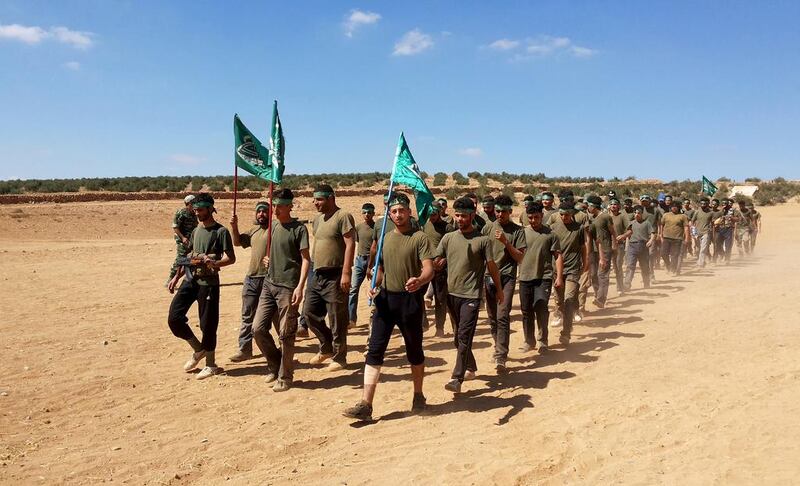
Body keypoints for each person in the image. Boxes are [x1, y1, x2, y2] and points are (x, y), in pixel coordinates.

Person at [343, 194, 435, 420]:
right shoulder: (385, 238)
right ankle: (366, 404)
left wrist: (420, 281)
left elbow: (429, 269)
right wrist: (375, 284)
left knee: (414, 351)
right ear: (389, 214)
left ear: (409, 212)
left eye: (401, 210)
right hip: (385, 301)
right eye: (393, 211)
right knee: (375, 350)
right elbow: (380, 269)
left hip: (410, 301)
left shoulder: (420, 238)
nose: (397, 215)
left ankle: (418, 395)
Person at [435, 197, 503, 393]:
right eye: (457, 215)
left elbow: (492, 268)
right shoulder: (448, 238)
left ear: (473, 215)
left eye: (464, 216)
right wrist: (437, 265)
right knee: (458, 337)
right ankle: (471, 366)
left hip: (471, 296)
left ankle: (457, 378)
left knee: (464, 336)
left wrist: (499, 290)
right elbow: (437, 260)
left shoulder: (482, 240)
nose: (459, 219)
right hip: (451, 294)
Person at [167, 193, 235, 380]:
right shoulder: (196, 231)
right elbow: (188, 257)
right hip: (190, 280)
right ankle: (198, 349)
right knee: (174, 318)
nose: (197, 213)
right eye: (195, 210)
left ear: (211, 208)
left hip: (209, 283)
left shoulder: (221, 232)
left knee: (208, 324)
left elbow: (230, 258)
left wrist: (213, 263)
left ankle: (211, 364)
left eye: (201, 210)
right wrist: (176, 276)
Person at [251, 189, 310, 392]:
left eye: (278, 206)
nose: (274, 209)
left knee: (286, 334)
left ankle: (286, 376)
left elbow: (305, 259)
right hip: (269, 284)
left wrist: (300, 287)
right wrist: (269, 260)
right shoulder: (273, 226)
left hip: (288, 287)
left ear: (289, 206)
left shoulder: (298, 229)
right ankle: (275, 364)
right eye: (273, 205)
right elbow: (272, 250)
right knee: (257, 329)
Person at [304, 184, 356, 370]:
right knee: (309, 314)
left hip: (336, 273)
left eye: (319, 199)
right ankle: (326, 346)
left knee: (337, 318)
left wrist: (346, 272)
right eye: (314, 199)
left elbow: (350, 244)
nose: (315, 203)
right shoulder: (317, 219)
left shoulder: (343, 216)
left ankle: (340, 357)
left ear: (330, 198)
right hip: (316, 273)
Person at [481, 195, 526, 371]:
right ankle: (497, 346)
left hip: (506, 277)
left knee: (502, 315)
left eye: (503, 211)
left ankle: (501, 355)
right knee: (492, 317)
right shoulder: (487, 228)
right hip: (488, 277)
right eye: (497, 211)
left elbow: (520, 257)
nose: (500, 214)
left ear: (510, 212)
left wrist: (506, 242)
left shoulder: (517, 231)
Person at [228, 200, 271, 362]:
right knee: (247, 315)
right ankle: (245, 349)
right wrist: (234, 226)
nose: (261, 214)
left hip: (269, 279)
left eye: (264, 211)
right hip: (252, 278)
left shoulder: (275, 229)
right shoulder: (253, 230)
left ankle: (278, 347)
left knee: (272, 316)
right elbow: (238, 242)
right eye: (259, 211)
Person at [518, 202, 563, 353]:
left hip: (543, 277)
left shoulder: (551, 234)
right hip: (524, 277)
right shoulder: (522, 233)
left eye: (536, 217)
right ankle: (529, 341)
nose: (533, 220)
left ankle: (543, 341)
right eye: (530, 217)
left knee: (541, 307)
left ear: (542, 216)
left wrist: (559, 277)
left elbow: (557, 256)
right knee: (526, 311)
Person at [549, 200, 590, 346]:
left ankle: (566, 332)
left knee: (569, 299)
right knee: (559, 301)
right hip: (556, 270)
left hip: (573, 268)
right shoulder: (553, 228)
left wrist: (586, 263)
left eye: (566, 215)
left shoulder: (578, 228)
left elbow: (583, 246)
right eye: (561, 215)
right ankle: (562, 317)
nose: (563, 217)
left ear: (572, 214)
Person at [422, 201, 453, 336]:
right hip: (425, 267)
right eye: (429, 214)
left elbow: (454, 248)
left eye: (434, 214)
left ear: (440, 212)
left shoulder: (448, 228)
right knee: (417, 295)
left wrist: (444, 260)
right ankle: (423, 324)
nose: (431, 217)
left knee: (440, 299)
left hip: (441, 269)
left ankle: (439, 328)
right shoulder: (425, 226)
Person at [348, 203, 376, 328]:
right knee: (353, 289)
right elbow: (356, 242)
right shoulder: (358, 228)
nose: (367, 215)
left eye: (369, 212)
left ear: (373, 213)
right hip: (360, 260)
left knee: (375, 290)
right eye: (364, 212)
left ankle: (375, 317)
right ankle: (351, 319)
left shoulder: (377, 227)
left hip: (374, 261)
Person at [587, 195, 617, 308]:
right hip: (593, 250)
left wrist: (614, 246)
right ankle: (597, 294)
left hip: (605, 249)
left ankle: (601, 299)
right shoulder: (591, 218)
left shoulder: (605, 217)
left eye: (589, 205)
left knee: (602, 274)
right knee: (594, 274)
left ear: (593, 206)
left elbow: (613, 232)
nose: (588, 208)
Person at [622, 206, 656, 290]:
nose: (637, 215)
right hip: (632, 246)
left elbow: (652, 233)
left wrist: (651, 241)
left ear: (642, 214)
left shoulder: (647, 223)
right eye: (635, 213)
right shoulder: (631, 223)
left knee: (644, 266)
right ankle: (627, 284)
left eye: (638, 213)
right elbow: (627, 233)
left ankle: (646, 283)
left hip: (643, 246)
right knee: (630, 266)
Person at [168, 195, 198, 283]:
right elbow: (175, 227)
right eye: (193, 203)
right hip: (182, 240)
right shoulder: (181, 213)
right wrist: (183, 238)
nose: (195, 205)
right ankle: (171, 279)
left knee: (191, 258)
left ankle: (189, 278)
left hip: (191, 239)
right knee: (180, 259)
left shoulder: (195, 213)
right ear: (188, 204)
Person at [660, 202, 691, 275]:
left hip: (677, 239)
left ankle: (673, 270)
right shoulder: (665, 215)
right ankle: (668, 265)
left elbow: (686, 228)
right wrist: (661, 235)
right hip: (666, 237)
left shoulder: (683, 216)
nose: (673, 208)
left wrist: (687, 238)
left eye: (675, 206)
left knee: (674, 255)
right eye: (672, 206)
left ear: (679, 207)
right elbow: (661, 225)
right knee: (663, 254)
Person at [608, 198, 629, 294]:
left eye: (615, 204)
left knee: (617, 266)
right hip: (607, 245)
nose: (613, 206)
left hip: (619, 246)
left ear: (619, 206)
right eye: (611, 204)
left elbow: (630, 230)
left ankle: (620, 287)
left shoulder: (622, 216)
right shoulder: (606, 217)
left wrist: (623, 236)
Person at [691, 197, 715, 268]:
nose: (703, 205)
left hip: (706, 232)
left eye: (705, 203)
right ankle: (708, 258)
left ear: (708, 204)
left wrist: (712, 232)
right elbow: (692, 221)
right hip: (697, 233)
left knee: (703, 248)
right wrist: (693, 231)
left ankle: (700, 263)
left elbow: (713, 223)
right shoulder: (697, 212)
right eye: (701, 203)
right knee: (699, 248)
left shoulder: (711, 213)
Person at [713, 198, 736, 264]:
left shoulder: (733, 210)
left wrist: (732, 218)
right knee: (718, 244)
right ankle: (722, 254)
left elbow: (738, 218)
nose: (724, 205)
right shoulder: (719, 211)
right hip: (719, 229)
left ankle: (727, 259)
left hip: (728, 229)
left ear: (728, 204)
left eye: (725, 203)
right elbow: (714, 220)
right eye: (723, 204)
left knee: (728, 245)